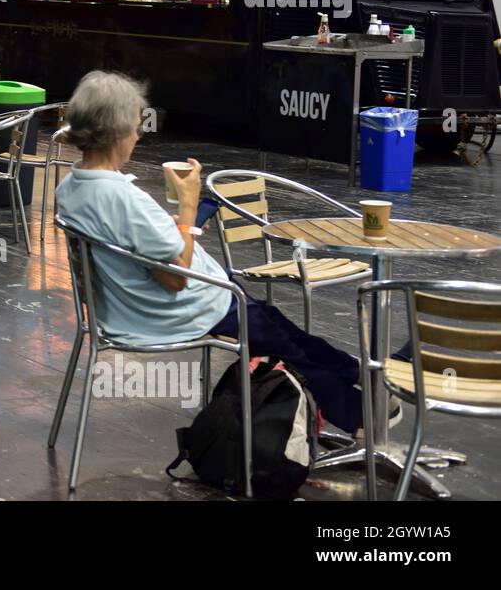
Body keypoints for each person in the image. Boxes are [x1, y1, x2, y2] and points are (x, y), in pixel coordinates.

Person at [54, 71, 367, 435]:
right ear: (117, 131)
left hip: (137, 304)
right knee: (281, 343)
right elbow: (174, 276)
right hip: (174, 310)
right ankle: (360, 415)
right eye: (137, 127)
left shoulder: (71, 187)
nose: (139, 136)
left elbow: (134, 244)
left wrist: (171, 229)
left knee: (272, 322)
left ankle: (354, 371)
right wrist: (188, 207)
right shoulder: (123, 197)